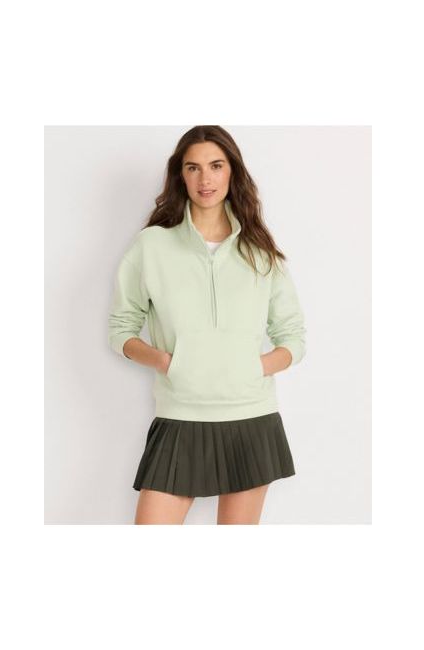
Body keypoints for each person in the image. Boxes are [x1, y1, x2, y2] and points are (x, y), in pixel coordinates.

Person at [108, 125, 306, 524]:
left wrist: (253, 367)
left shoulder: (260, 251)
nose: (205, 179)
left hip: (251, 419)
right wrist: (167, 362)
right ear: (180, 175)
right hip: (180, 417)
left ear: (232, 171)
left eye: (216, 166)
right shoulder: (152, 245)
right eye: (193, 167)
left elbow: (293, 337)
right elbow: (121, 329)